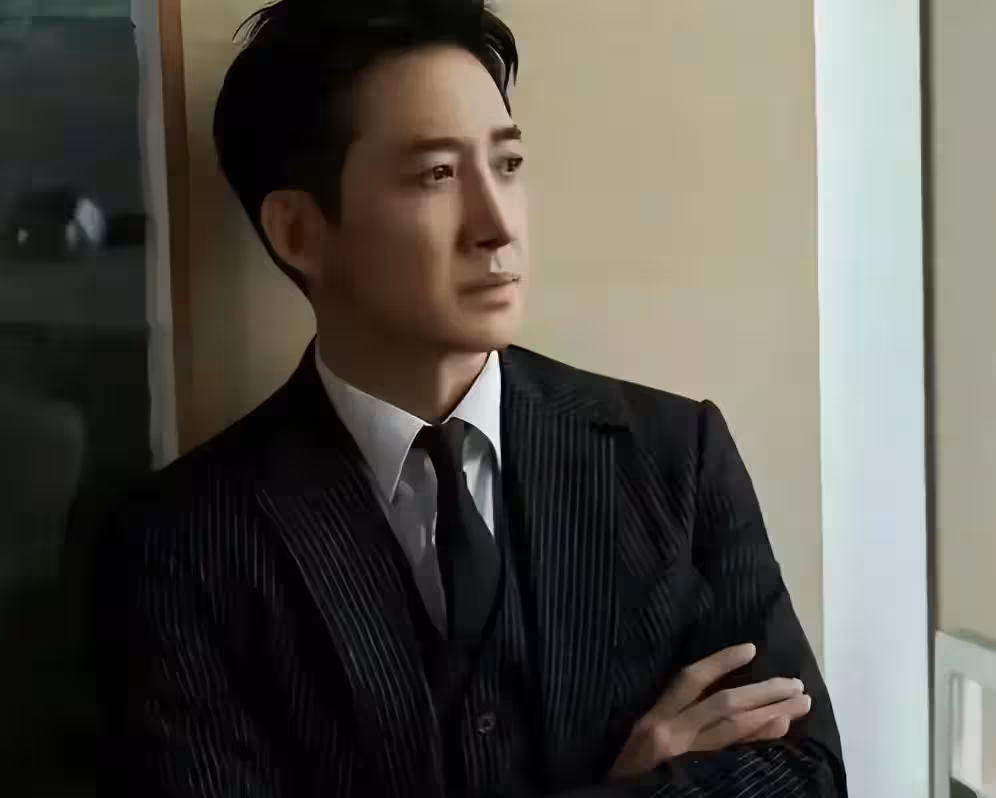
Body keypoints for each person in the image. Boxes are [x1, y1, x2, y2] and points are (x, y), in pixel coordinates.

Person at [95, 1, 846, 795]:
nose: (496, 225)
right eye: (437, 175)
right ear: (300, 232)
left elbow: (807, 776)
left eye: (508, 164)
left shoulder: (672, 457)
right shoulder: (177, 547)